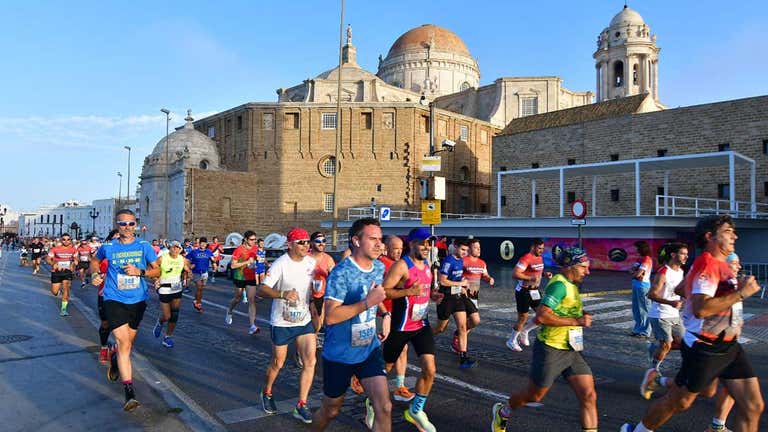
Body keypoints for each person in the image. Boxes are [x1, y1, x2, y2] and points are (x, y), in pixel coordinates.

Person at [621, 215, 764, 432]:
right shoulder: (707, 264)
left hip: (730, 346)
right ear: (710, 236)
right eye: (728, 231)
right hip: (705, 348)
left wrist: (696, 287)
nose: (734, 235)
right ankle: (639, 430)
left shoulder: (719, 265)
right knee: (680, 402)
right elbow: (701, 309)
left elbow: (683, 289)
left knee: (753, 407)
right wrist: (742, 293)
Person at [492, 247, 597, 432]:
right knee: (534, 396)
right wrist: (577, 320)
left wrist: (580, 314)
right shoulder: (559, 285)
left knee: (588, 395)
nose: (587, 271)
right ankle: (503, 411)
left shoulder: (572, 285)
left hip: (571, 349)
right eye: (584, 267)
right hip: (551, 349)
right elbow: (541, 317)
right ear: (571, 266)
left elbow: (563, 311)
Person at [311, 218, 391, 432]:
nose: (379, 244)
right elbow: (331, 317)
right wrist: (368, 303)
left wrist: (385, 314)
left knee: (384, 407)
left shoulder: (379, 267)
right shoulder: (341, 273)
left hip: (368, 349)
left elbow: (375, 295)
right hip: (340, 354)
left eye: (380, 239)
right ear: (356, 241)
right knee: (331, 410)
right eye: (372, 239)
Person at [90, 209, 160, 412]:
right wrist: (95, 273)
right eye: (123, 224)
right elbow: (95, 260)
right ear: (117, 225)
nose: (127, 228)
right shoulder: (109, 247)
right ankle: (129, 392)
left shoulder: (144, 246)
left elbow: (157, 269)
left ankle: (114, 358)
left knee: (127, 345)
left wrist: (141, 271)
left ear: (135, 225)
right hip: (113, 298)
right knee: (123, 342)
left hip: (137, 300)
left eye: (131, 224)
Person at [378, 227, 444, 431]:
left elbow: (422, 293)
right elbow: (383, 292)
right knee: (385, 368)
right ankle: (373, 402)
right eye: (423, 243)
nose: (427, 247)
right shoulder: (401, 266)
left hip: (420, 324)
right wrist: (408, 291)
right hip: (401, 326)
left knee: (430, 369)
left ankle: (416, 410)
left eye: (429, 243)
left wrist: (432, 296)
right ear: (412, 244)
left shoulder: (427, 265)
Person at [258, 228, 317, 424]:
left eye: (307, 242)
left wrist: (317, 297)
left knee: (310, 361)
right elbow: (262, 289)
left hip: (304, 320)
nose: (306, 245)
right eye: (301, 242)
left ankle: (301, 404)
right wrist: (282, 294)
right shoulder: (280, 264)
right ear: (290, 245)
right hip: (282, 321)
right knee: (278, 362)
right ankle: (267, 392)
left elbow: (315, 284)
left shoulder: (311, 262)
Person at [643, 242, 687, 380]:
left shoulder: (680, 271)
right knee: (666, 344)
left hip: (675, 315)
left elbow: (679, 291)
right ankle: (653, 371)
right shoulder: (663, 272)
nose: (686, 256)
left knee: (684, 344)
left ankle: (655, 347)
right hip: (660, 315)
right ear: (673, 255)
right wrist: (671, 302)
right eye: (683, 253)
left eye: (686, 254)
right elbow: (651, 294)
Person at [378, 235, 414, 402]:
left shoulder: (402, 264)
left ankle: (399, 386)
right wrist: (384, 313)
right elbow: (377, 291)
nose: (398, 251)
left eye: (401, 248)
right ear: (386, 248)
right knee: (376, 351)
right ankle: (364, 378)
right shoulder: (381, 264)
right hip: (381, 314)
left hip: (399, 314)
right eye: (395, 248)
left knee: (402, 349)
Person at [433, 238, 477, 369]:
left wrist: (462, 285)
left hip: (457, 298)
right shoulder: (448, 261)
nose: (465, 252)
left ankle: (463, 357)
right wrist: (461, 283)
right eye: (462, 249)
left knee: (463, 327)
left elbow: (457, 277)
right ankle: (423, 337)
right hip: (446, 298)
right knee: (441, 328)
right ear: (456, 247)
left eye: (466, 250)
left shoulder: (461, 261)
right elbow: (443, 281)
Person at [508, 238, 552, 352]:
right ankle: (511, 341)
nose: (541, 250)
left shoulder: (540, 258)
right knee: (523, 317)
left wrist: (544, 274)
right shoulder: (526, 258)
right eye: (539, 248)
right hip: (523, 291)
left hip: (535, 291)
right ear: (533, 247)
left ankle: (525, 330)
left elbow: (536, 271)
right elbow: (515, 273)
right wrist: (530, 278)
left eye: (542, 248)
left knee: (542, 315)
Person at [152, 241, 192, 348]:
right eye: (173, 247)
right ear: (169, 248)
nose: (175, 250)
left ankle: (167, 337)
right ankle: (160, 322)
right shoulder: (162, 258)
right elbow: (152, 269)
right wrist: (156, 279)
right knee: (167, 315)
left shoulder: (183, 259)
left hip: (176, 288)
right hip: (164, 288)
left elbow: (187, 270)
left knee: (174, 314)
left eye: (178, 248)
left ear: (180, 250)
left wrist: (188, 273)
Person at [226, 231, 261, 334]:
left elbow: (253, 259)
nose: (254, 241)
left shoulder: (255, 248)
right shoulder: (239, 250)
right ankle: (229, 311)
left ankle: (252, 326)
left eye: (255, 239)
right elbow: (233, 266)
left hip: (250, 277)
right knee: (237, 298)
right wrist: (246, 262)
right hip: (240, 277)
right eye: (251, 239)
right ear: (245, 239)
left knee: (251, 300)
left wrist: (257, 259)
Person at [96, 229, 119, 363]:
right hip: (105, 293)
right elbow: (92, 267)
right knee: (105, 323)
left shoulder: (131, 254)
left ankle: (117, 347)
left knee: (120, 323)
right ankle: (104, 347)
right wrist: (96, 274)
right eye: (115, 237)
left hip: (122, 294)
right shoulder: (104, 253)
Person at [309, 231, 336, 345]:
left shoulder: (328, 259)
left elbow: (335, 276)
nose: (321, 244)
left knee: (318, 323)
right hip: (306, 294)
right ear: (311, 243)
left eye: (324, 241)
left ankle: (311, 341)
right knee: (311, 321)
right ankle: (303, 350)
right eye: (318, 241)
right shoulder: (306, 257)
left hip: (321, 294)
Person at [47, 233, 77, 316]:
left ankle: (63, 310)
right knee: (54, 292)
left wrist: (74, 263)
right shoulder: (55, 249)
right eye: (64, 239)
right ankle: (58, 292)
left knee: (66, 288)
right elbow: (48, 259)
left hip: (67, 272)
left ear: (70, 240)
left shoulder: (73, 249)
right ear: (61, 240)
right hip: (56, 272)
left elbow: (76, 258)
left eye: (68, 239)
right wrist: (54, 264)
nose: (66, 241)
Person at [630, 240, 654, 338]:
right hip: (636, 285)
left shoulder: (646, 260)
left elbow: (637, 274)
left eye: (636, 247)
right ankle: (637, 329)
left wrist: (634, 273)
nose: (635, 249)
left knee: (644, 309)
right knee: (636, 308)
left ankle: (646, 331)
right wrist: (634, 273)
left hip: (643, 286)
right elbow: (631, 271)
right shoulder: (640, 259)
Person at [187, 237, 214, 313]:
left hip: (205, 273)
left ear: (206, 244)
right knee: (199, 286)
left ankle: (196, 301)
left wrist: (214, 264)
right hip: (196, 272)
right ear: (199, 244)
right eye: (201, 243)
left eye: (204, 243)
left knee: (201, 289)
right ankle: (199, 304)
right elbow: (187, 260)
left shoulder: (209, 252)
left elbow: (213, 260)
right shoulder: (194, 252)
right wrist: (189, 267)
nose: (203, 244)